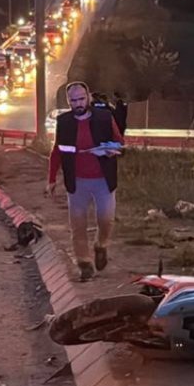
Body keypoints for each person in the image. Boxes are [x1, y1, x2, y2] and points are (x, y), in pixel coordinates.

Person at [46, 82, 124, 282]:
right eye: (73, 100)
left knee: (106, 219)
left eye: (81, 98)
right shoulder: (64, 122)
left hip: (103, 179)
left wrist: (110, 149)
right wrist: (52, 178)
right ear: (68, 101)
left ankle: (101, 245)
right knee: (78, 225)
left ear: (88, 97)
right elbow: (57, 151)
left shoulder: (104, 117)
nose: (78, 103)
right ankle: (84, 263)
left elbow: (120, 143)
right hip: (77, 181)